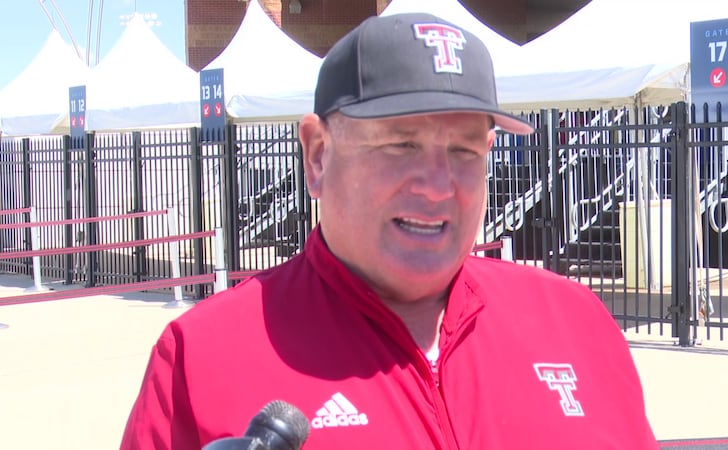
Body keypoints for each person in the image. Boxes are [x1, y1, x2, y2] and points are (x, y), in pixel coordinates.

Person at [121, 12, 658, 450]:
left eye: (465, 150)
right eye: (402, 144)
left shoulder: (576, 324)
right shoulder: (201, 357)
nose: (437, 185)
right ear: (317, 155)